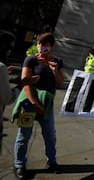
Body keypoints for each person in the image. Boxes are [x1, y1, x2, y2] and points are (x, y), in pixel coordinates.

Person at [12, 33, 64, 179]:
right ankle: (19, 164)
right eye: (39, 44)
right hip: (29, 102)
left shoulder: (57, 61)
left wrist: (54, 70)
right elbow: (25, 82)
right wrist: (35, 103)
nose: (42, 47)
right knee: (24, 135)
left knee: (50, 135)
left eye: (45, 44)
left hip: (46, 104)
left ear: (51, 46)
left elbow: (60, 82)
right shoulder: (31, 59)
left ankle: (52, 161)